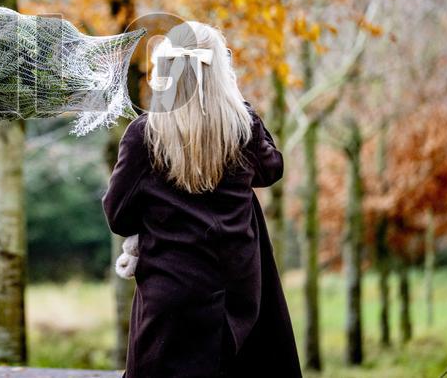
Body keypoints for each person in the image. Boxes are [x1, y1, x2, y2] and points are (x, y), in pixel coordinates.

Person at [103, 20, 300, 377]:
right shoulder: (244, 128)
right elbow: (272, 169)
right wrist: (237, 102)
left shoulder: (144, 135)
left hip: (171, 292)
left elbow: (119, 216)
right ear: (221, 72)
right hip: (238, 293)